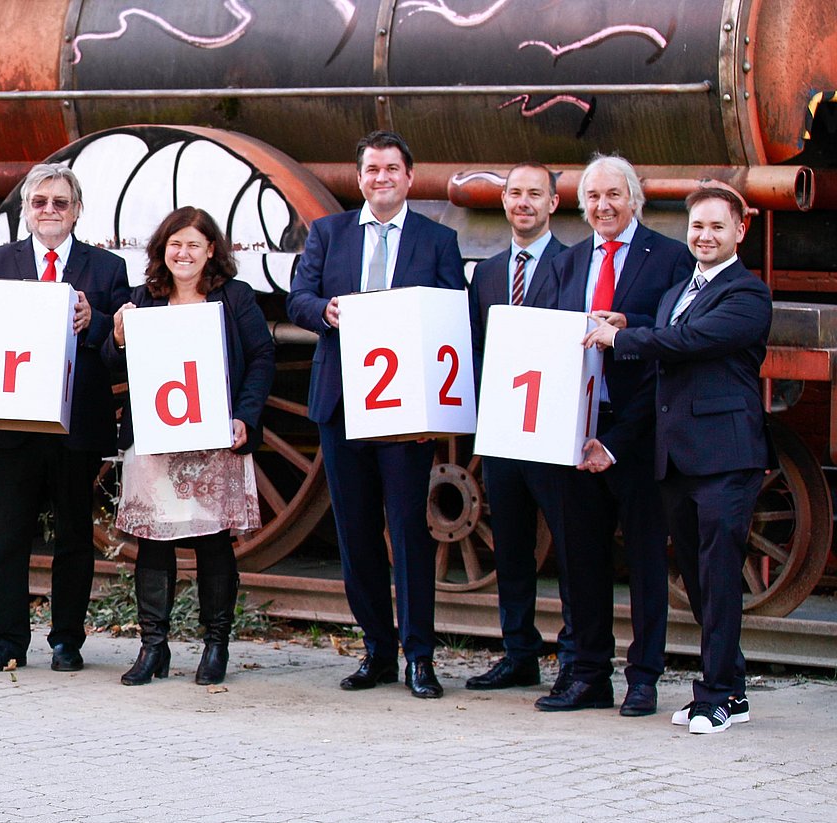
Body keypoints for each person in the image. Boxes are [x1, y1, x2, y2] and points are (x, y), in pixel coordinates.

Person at [285, 131, 465, 699]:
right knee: (355, 534)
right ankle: (377, 651)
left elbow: (450, 312)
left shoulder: (438, 239)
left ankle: (420, 657)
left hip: (407, 406)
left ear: (409, 178)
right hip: (342, 403)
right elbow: (298, 298)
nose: (381, 177)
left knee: (410, 533)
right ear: (359, 178)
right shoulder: (328, 232)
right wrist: (325, 310)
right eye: (372, 169)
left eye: (392, 169)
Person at [584, 186, 770, 734]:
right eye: (696, 227)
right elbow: (669, 344)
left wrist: (624, 337)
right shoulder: (673, 295)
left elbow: (689, 341)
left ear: (739, 232)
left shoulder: (747, 294)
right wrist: (633, 330)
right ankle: (728, 690)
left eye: (717, 227)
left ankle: (717, 694)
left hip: (726, 458)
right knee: (699, 576)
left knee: (717, 576)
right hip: (679, 459)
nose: (704, 237)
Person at [527, 153, 688, 716]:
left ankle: (643, 677)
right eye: (593, 197)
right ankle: (588, 673)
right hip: (575, 432)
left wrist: (618, 439)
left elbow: (674, 341)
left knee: (645, 560)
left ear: (635, 198)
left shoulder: (669, 258)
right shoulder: (566, 263)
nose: (603, 206)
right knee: (579, 559)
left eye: (613, 195)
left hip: (639, 432)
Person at [0, 163, 127, 674]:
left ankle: (66, 642)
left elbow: (122, 353)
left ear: (76, 212)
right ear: (26, 210)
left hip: (77, 428)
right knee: (7, 537)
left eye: (60, 202)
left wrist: (94, 323)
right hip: (11, 423)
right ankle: (7, 641)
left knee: (74, 538)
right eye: (40, 202)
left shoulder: (107, 270)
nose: (49, 210)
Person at [105, 207, 274, 686]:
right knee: (152, 542)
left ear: (211, 252)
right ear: (163, 249)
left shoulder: (235, 298)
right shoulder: (142, 299)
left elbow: (262, 356)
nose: (184, 253)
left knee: (212, 540)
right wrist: (117, 339)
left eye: (194, 245)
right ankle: (152, 647)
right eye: (175, 244)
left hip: (213, 438)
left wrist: (246, 414)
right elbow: (112, 366)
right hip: (156, 439)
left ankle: (215, 646)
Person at [463, 162, 576, 693]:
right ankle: (519, 653)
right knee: (510, 545)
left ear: (554, 203)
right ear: (503, 201)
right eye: (514, 193)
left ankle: (576, 658)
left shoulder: (574, 264)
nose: (524, 202)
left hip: (555, 426)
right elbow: (476, 350)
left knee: (572, 543)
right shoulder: (486, 273)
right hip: (505, 427)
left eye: (536, 193)